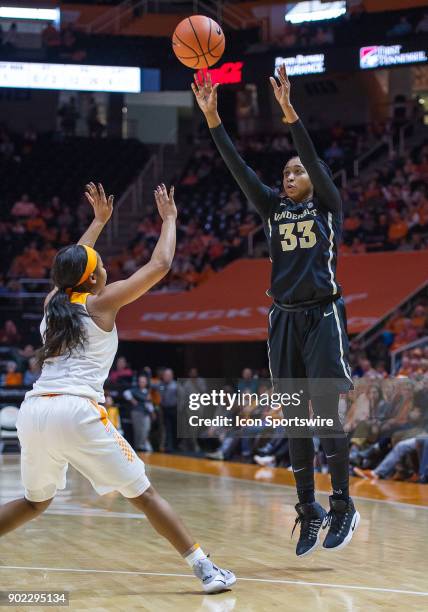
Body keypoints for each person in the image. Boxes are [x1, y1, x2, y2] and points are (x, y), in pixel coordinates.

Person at [4, 183, 235, 594]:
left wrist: (96, 224)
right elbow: (161, 264)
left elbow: (69, 266)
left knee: (34, 502)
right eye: (100, 263)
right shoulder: (101, 302)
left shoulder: (53, 305)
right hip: (76, 410)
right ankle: (206, 569)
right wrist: (169, 220)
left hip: (34, 410)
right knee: (143, 494)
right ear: (93, 276)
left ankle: (205, 566)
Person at [192, 65, 359, 557]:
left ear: (316, 177)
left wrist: (290, 115)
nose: (289, 176)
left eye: (298, 171)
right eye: (285, 172)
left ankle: (344, 504)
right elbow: (240, 171)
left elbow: (310, 156)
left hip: (323, 314)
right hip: (283, 317)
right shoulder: (272, 209)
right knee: (294, 419)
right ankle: (309, 510)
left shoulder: (328, 205)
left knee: (326, 413)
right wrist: (213, 121)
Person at [124, 374, 154, 452]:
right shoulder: (135, 390)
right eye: (140, 382)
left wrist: (152, 412)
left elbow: (148, 403)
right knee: (138, 430)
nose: (142, 383)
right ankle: (139, 447)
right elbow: (126, 393)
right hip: (136, 412)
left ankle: (143, 445)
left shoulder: (147, 392)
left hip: (145, 412)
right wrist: (132, 400)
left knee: (146, 428)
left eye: (143, 382)